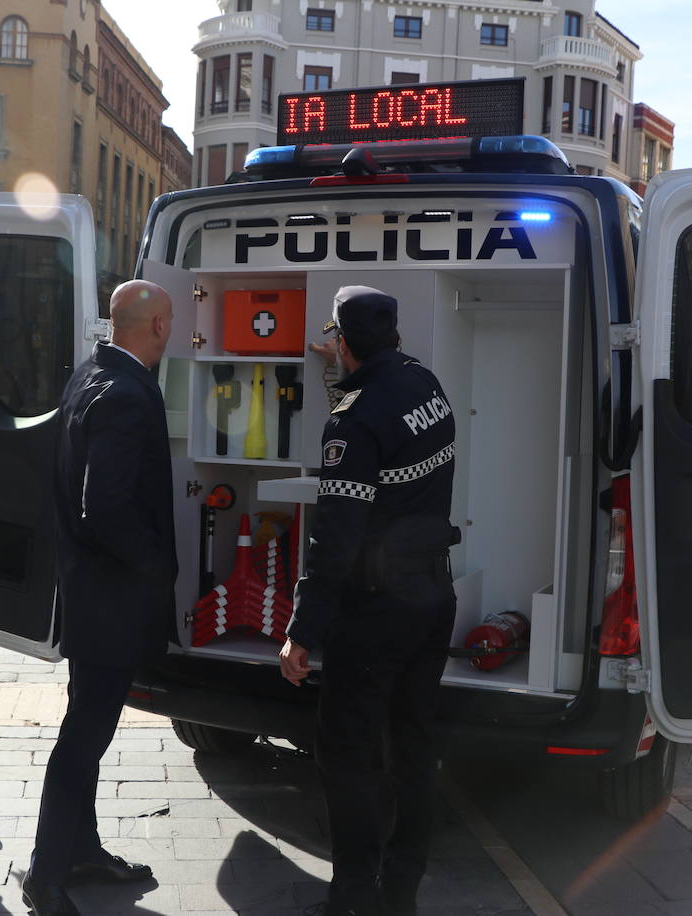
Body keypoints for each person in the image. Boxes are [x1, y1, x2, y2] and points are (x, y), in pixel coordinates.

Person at [280, 286, 459, 916]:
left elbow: (336, 537)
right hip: (432, 596)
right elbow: (389, 443)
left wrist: (302, 630)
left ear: (344, 342)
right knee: (412, 745)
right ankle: (401, 890)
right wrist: (342, 375)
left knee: (347, 753)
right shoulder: (424, 384)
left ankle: (353, 894)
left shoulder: (352, 423)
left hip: (376, 611)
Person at [22, 280, 177, 916]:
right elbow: (105, 506)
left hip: (90, 591)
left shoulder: (92, 373)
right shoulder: (125, 395)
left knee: (89, 724)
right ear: (159, 326)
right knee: (85, 734)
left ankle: (80, 851)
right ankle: (46, 872)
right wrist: (153, 568)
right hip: (110, 597)